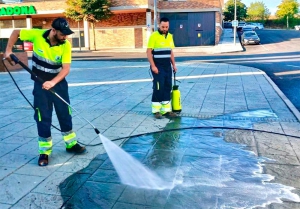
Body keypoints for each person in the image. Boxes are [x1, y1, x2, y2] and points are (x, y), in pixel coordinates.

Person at [4, 17, 86, 166]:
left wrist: (53, 82)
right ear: (53, 30)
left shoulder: (65, 45)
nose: (65, 37)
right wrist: (8, 50)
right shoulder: (37, 35)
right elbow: (16, 32)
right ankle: (45, 152)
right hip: (40, 85)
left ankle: (71, 144)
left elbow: (66, 68)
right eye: (62, 34)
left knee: (65, 114)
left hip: (58, 83)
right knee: (43, 117)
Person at [146, 17, 178, 119]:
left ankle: (166, 110)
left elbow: (171, 52)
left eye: (166, 27)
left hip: (167, 66)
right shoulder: (153, 36)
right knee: (159, 87)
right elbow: (148, 52)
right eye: (163, 26)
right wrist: (153, 66)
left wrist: (174, 65)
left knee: (167, 86)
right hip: (157, 66)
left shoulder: (170, 36)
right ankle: (156, 111)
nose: (165, 28)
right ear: (159, 25)